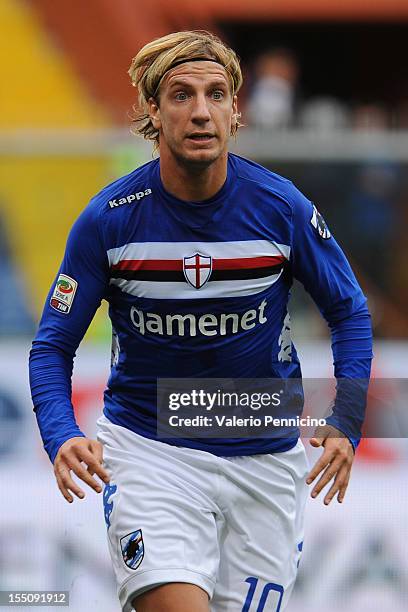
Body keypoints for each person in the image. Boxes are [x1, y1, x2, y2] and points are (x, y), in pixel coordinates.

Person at [29, 30, 373, 612]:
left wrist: (346, 417)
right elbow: (51, 347)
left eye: (216, 95)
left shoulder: (281, 208)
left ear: (235, 112)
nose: (200, 112)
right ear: (153, 112)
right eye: (182, 96)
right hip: (150, 450)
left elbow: (349, 310)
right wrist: (62, 434)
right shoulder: (109, 222)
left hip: (266, 455)